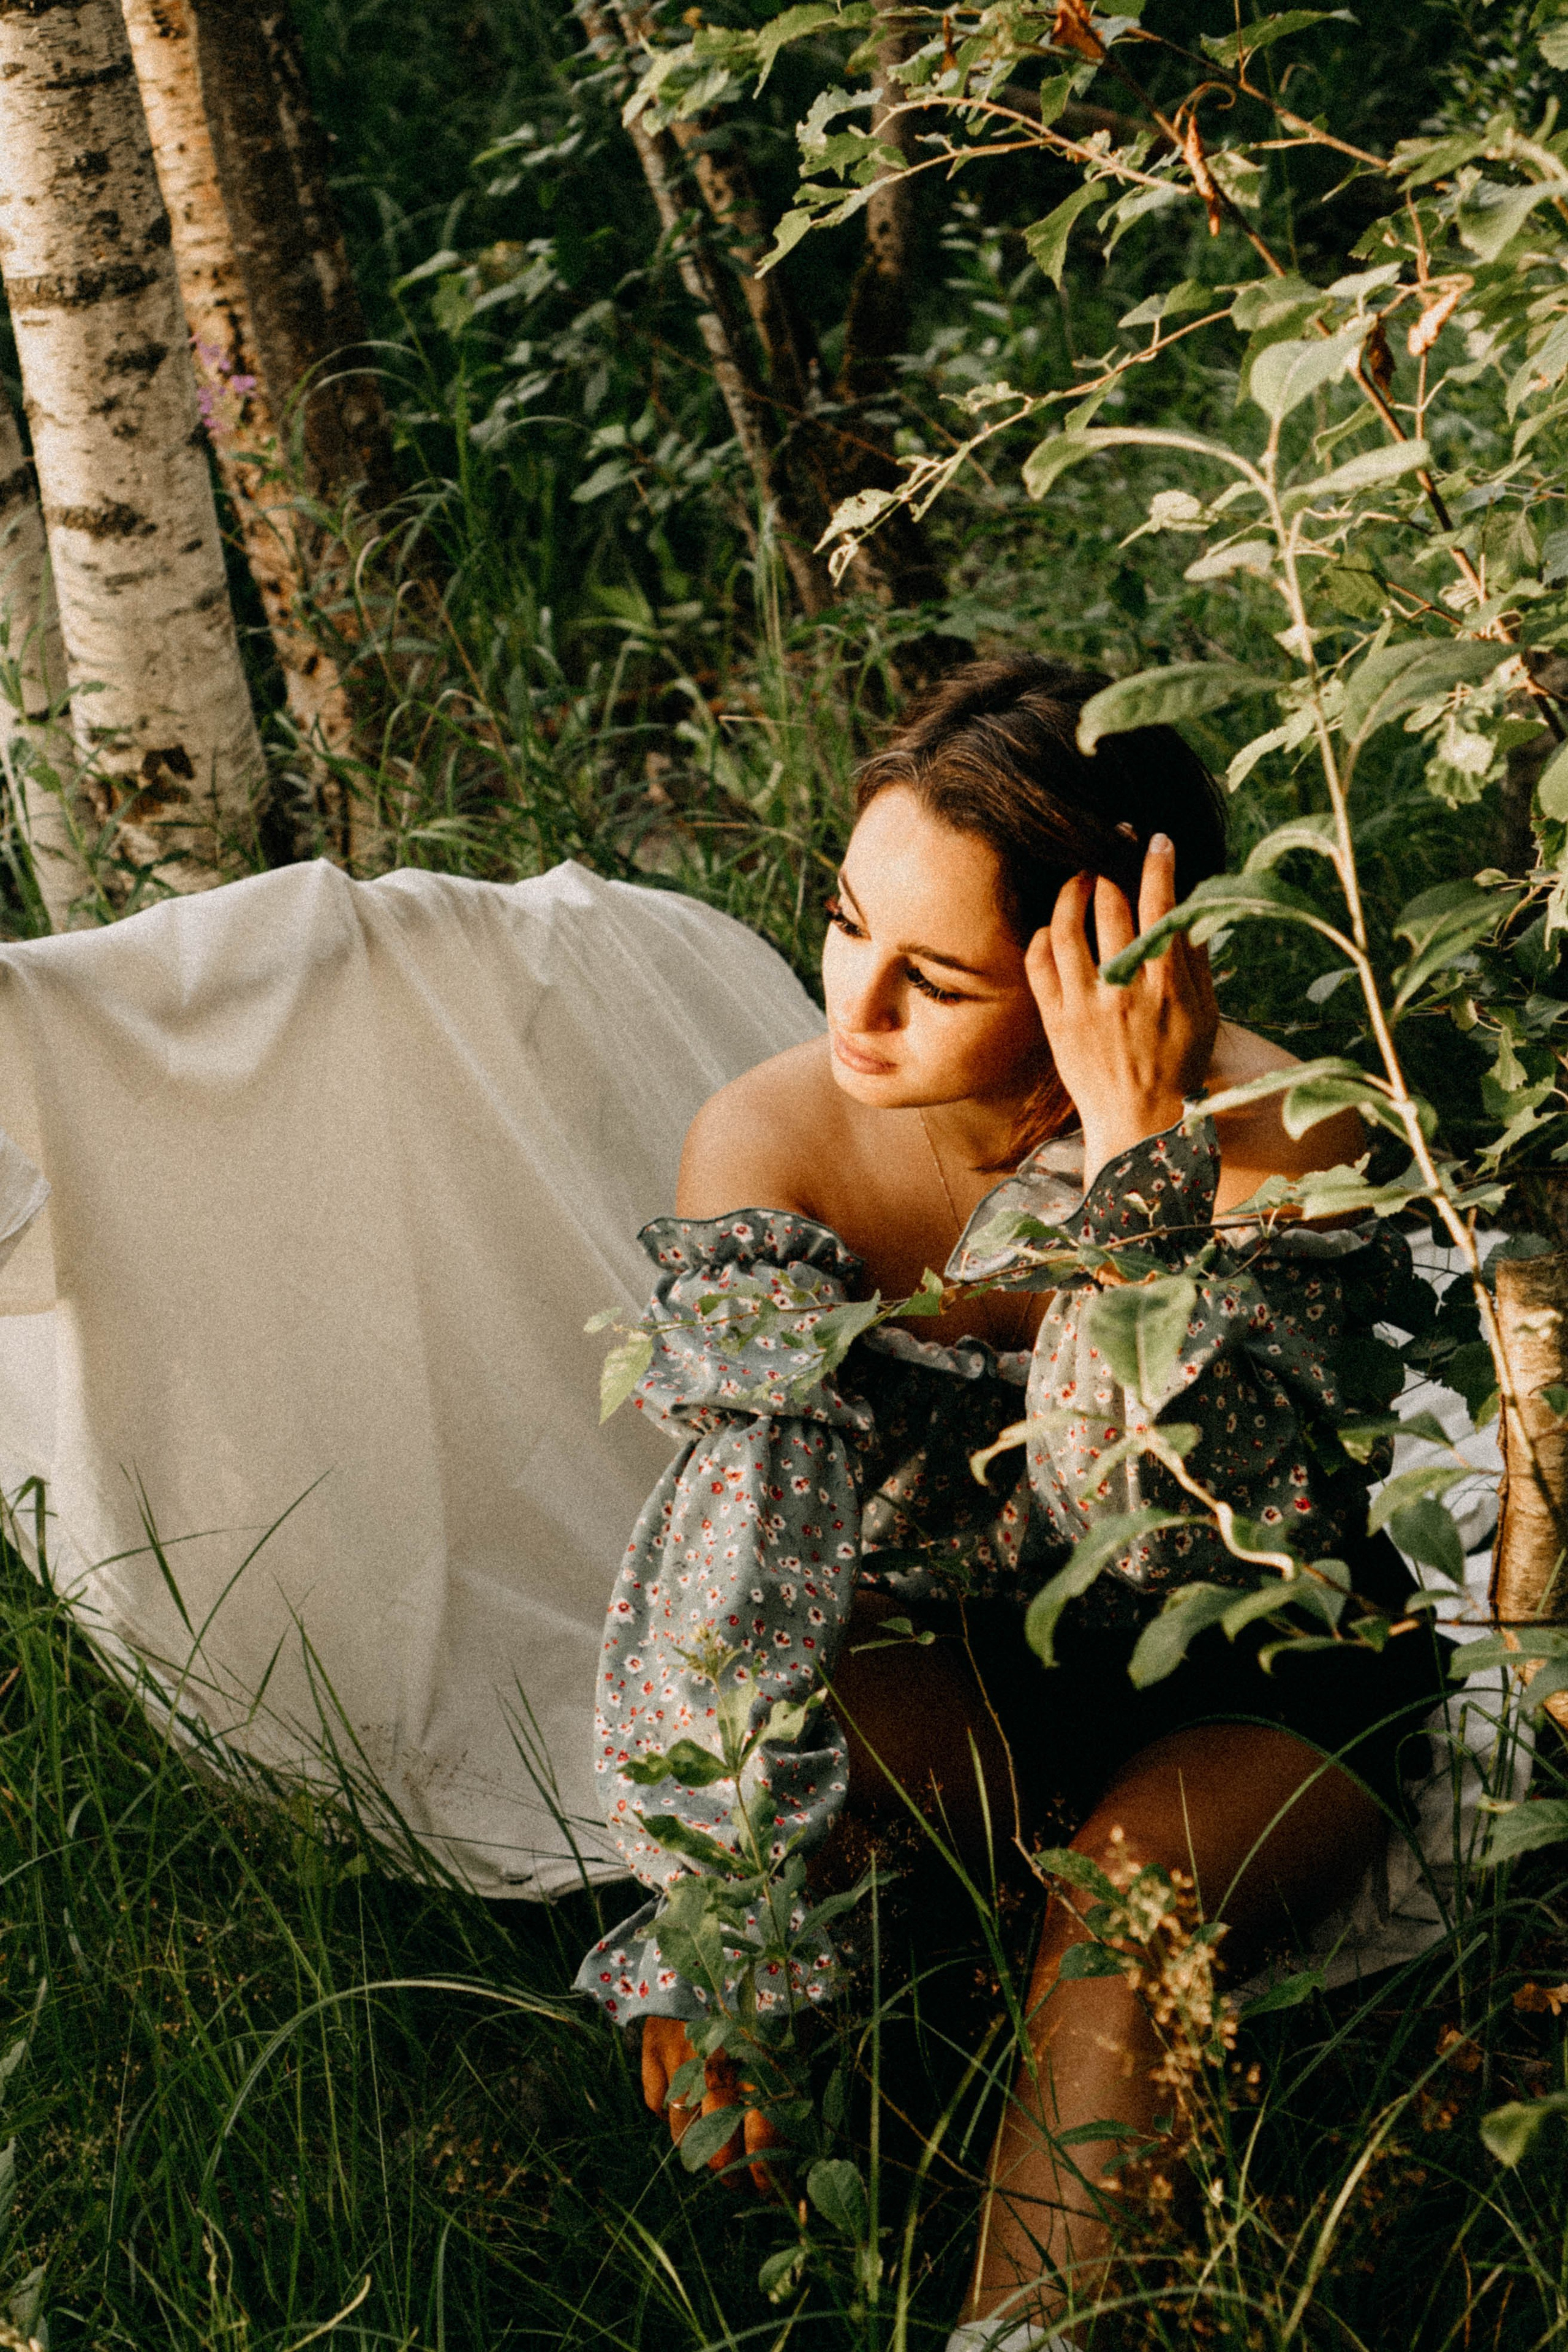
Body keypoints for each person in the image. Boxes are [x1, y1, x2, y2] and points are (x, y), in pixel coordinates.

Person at [571, 656, 1446, 2349]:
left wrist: (1137, 1168)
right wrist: (721, 1909)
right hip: (964, 1646)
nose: (856, 1009)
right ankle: (849, 2149)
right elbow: (743, 1551)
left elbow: (1166, 1531)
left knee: (1120, 1903)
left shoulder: (1287, 1136)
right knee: (763, 1840)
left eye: (935, 977)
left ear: (1097, 970)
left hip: (1259, 1666)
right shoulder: (775, 1137)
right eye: (842, 924)